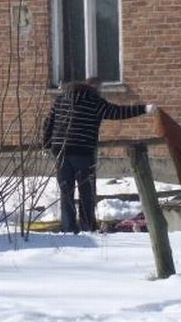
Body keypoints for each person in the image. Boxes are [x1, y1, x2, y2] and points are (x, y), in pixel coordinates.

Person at [43, 77, 157, 233]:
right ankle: (87, 226)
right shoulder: (94, 101)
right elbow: (118, 112)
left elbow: (48, 122)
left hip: (61, 151)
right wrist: (144, 109)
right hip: (83, 151)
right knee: (86, 192)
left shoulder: (61, 99)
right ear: (95, 89)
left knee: (66, 192)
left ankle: (68, 228)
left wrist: (47, 145)